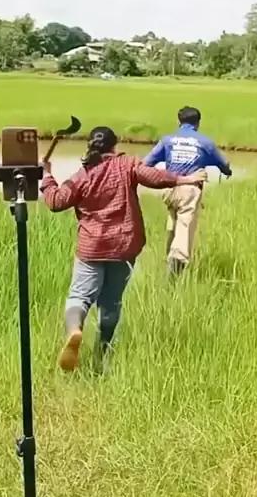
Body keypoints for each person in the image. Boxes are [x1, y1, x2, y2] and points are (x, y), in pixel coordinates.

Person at [40, 125, 208, 372]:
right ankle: (102, 358)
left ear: (90, 146)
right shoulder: (126, 164)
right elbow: (154, 177)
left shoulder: (83, 175)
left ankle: (75, 330)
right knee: (111, 303)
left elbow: (56, 201)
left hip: (92, 248)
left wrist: (47, 176)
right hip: (123, 247)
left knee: (79, 297)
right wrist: (185, 179)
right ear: (114, 145)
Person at [143, 106, 232, 274]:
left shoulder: (168, 140)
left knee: (173, 223)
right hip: (189, 190)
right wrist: (227, 171)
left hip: (169, 188)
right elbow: (223, 164)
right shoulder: (205, 142)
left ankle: (168, 258)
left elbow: (146, 163)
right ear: (198, 123)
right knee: (185, 226)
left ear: (178, 122)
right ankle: (176, 267)